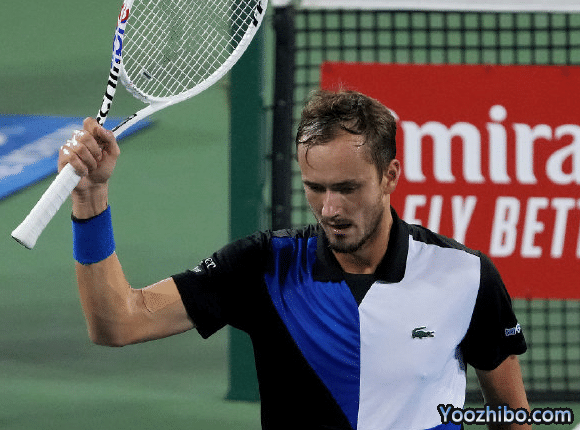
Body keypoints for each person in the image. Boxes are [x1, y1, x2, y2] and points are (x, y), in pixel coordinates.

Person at [59, 89, 529, 430]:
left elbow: (511, 416)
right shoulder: (264, 266)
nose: (330, 209)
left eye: (347, 188)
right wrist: (90, 197)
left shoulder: (465, 275)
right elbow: (118, 322)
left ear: (390, 176)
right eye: (315, 188)